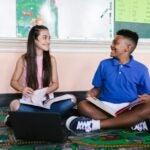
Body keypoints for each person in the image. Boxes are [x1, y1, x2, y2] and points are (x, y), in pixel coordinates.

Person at [66, 29, 150, 133]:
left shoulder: (141, 69)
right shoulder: (104, 64)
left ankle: (95, 125)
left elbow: (147, 94)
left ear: (127, 48)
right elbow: (97, 88)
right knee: (82, 105)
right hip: (106, 107)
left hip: (128, 108)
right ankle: (130, 123)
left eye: (116, 43)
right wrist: (91, 93)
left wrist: (147, 98)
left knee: (148, 108)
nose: (111, 45)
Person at [8, 25, 76, 115]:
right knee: (14, 105)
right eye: (44, 38)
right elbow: (13, 81)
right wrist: (22, 89)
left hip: (48, 101)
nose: (48, 41)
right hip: (30, 102)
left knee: (72, 99)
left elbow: (55, 84)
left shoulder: (51, 59)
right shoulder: (23, 59)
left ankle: (38, 115)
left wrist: (41, 92)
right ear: (34, 40)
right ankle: (48, 115)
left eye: (49, 38)